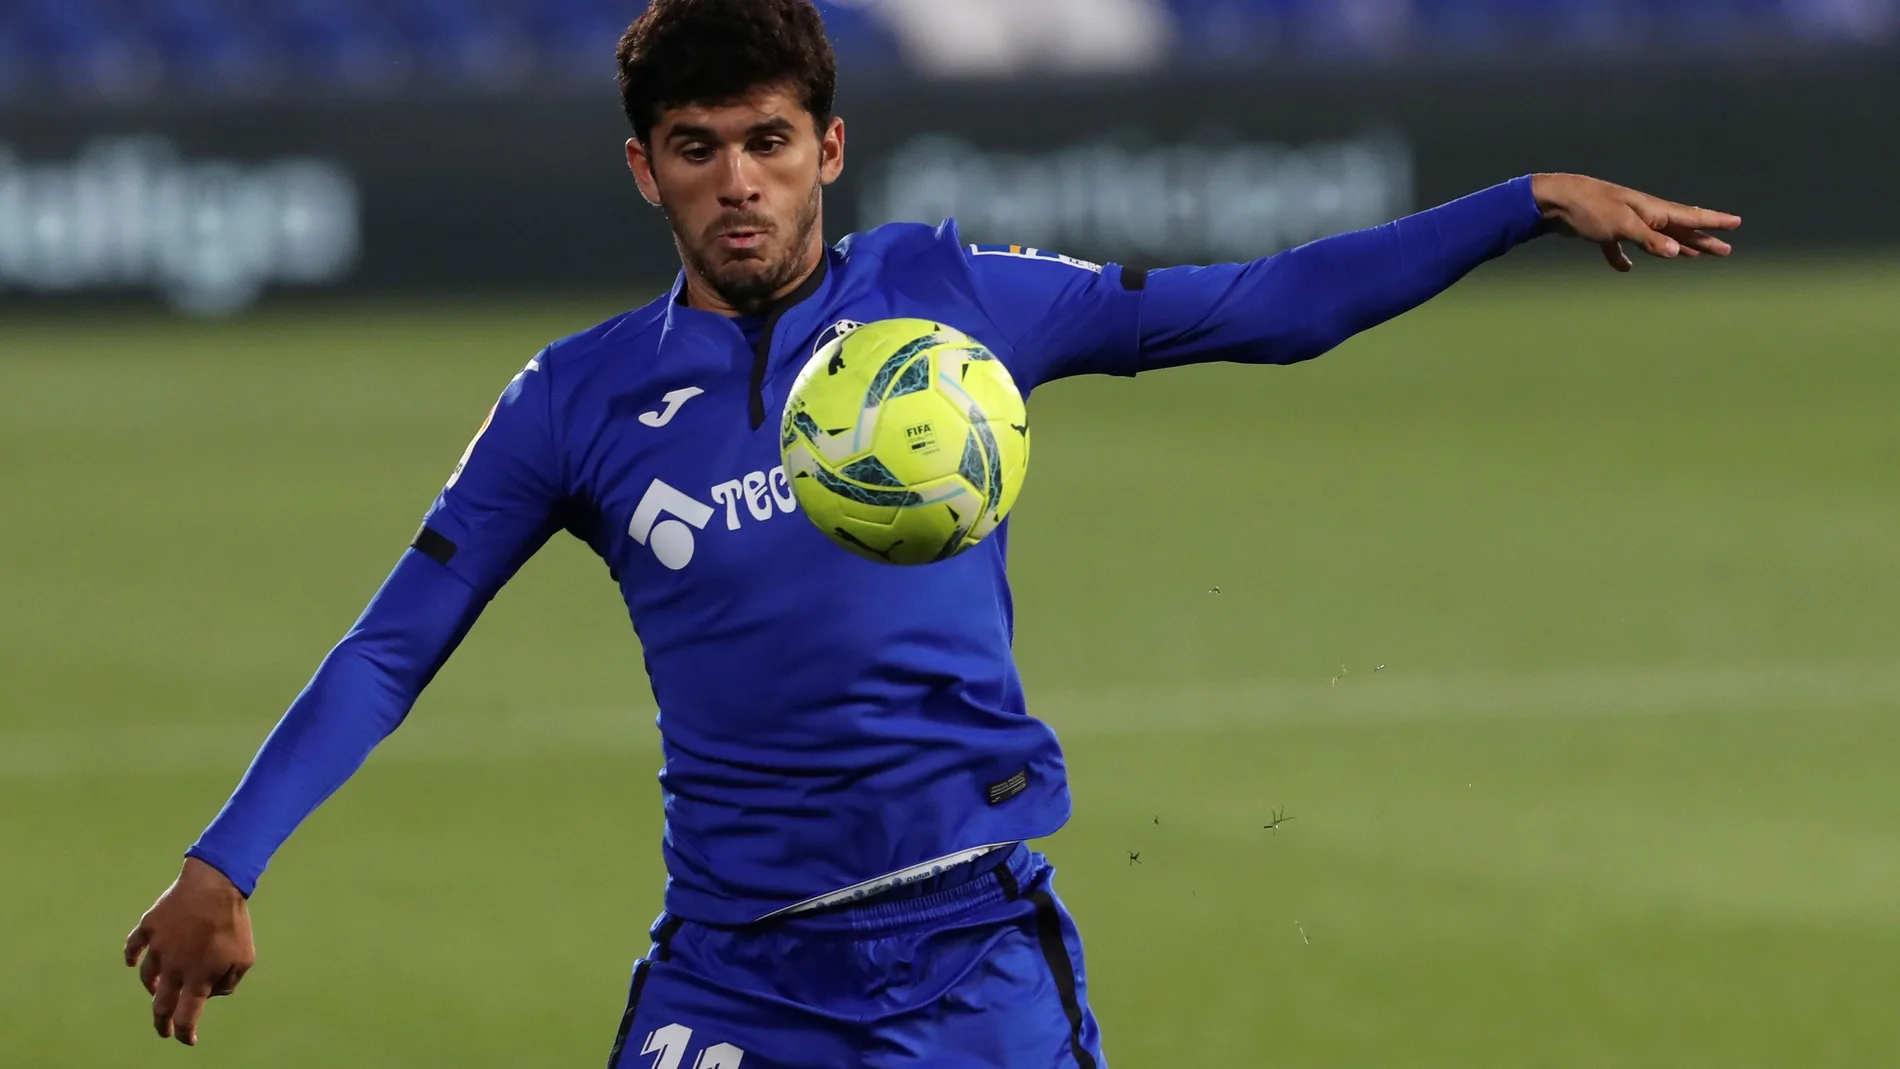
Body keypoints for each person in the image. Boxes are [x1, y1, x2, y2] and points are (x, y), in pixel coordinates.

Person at [122, 0, 1740, 1064]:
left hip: (968, 949)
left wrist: (1519, 199)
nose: (737, 184)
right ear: (645, 173)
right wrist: (225, 857)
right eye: (697, 152)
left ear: (829, 147)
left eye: (768, 143)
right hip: (736, 975)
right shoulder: (576, 402)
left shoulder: (947, 306)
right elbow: (397, 640)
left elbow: (1260, 309)